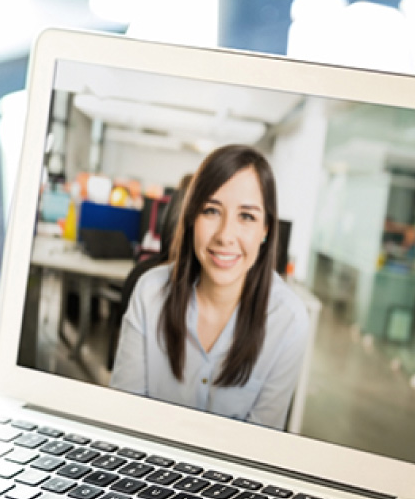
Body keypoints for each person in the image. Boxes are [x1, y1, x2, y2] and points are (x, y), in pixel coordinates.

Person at [109, 145, 311, 429]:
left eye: (247, 216)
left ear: (266, 229)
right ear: (192, 217)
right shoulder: (150, 293)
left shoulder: (288, 321)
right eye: (212, 211)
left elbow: (260, 446)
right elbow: (122, 415)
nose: (226, 235)